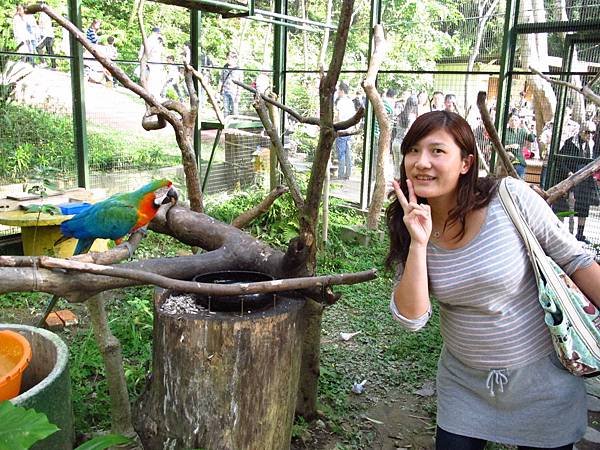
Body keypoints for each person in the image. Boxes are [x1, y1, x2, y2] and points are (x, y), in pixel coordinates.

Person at [386, 110, 600, 450]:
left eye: (437, 151)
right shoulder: (409, 221)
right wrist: (419, 242)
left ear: (466, 162)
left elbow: (576, 259)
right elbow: (412, 319)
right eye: (413, 150)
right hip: (465, 387)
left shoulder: (509, 199)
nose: (421, 162)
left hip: (542, 385)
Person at [554, 121, 599, 243]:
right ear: (581, 131)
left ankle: (580, 234)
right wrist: (568, 173)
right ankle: (563, 232)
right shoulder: (570, 143)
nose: (590, 135)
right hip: (571, 178)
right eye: (587, 132)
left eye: (592, 132)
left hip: (586, 180)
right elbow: (560, 160)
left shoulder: (592, 144)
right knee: (564, 206)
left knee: (583, 206)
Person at [334, 81, 356, 180]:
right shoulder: (350, 102)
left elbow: (338, 117)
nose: (338, 92)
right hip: (350, 130)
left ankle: (341, 174)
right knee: (348, 152)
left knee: (341, 153)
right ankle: (348, 174)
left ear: (342, 90)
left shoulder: (340, 102)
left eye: (338, 90)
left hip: (341, 130)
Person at [504, 111, 536, 178]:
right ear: (508, 122)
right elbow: (497, 145)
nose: (513, 122)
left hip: (519, 161)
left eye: (515, 120)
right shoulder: (505, 132)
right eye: (511, 120)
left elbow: (532, 139)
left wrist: (525, 126)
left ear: (519, 121)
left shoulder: (522, 131)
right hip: (507, 161)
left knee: (520, 180)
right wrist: (510, 146)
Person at [138, 27, 165, 99]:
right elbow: (147, 53)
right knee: (151, 81)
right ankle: (150, 95)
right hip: (152, 64)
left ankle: (150, 95)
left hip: (152, 63)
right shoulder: (153, 40)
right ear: (157, 33)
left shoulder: (150, 40)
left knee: (151, 81)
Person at [220, 51, 242, 116]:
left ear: (235, 59)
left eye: (230, 58)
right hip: (225, 91)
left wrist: (238, 94)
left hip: (234, 92)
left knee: (234, 109)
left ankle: (234, 124)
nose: (228, 60)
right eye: (227, 58)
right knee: (225, 110)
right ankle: (226, 123)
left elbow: (240, 83)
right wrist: (219, 91)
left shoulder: (238, 69)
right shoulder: (225, 68)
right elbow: (221, 79)